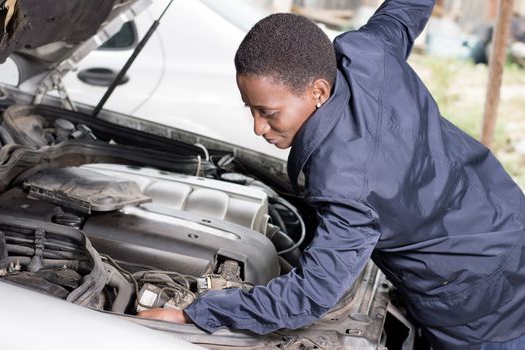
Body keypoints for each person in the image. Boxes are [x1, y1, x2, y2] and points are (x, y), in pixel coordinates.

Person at [139, 1, 525, 348]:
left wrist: (199, 313)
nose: (258, 127)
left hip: (481, 304)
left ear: (319, 92)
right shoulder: (366, 52)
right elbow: (404, 12)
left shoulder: (344, 180)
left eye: (268, 112)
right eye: (251, 110)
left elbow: (309, 296)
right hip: (503, 214)